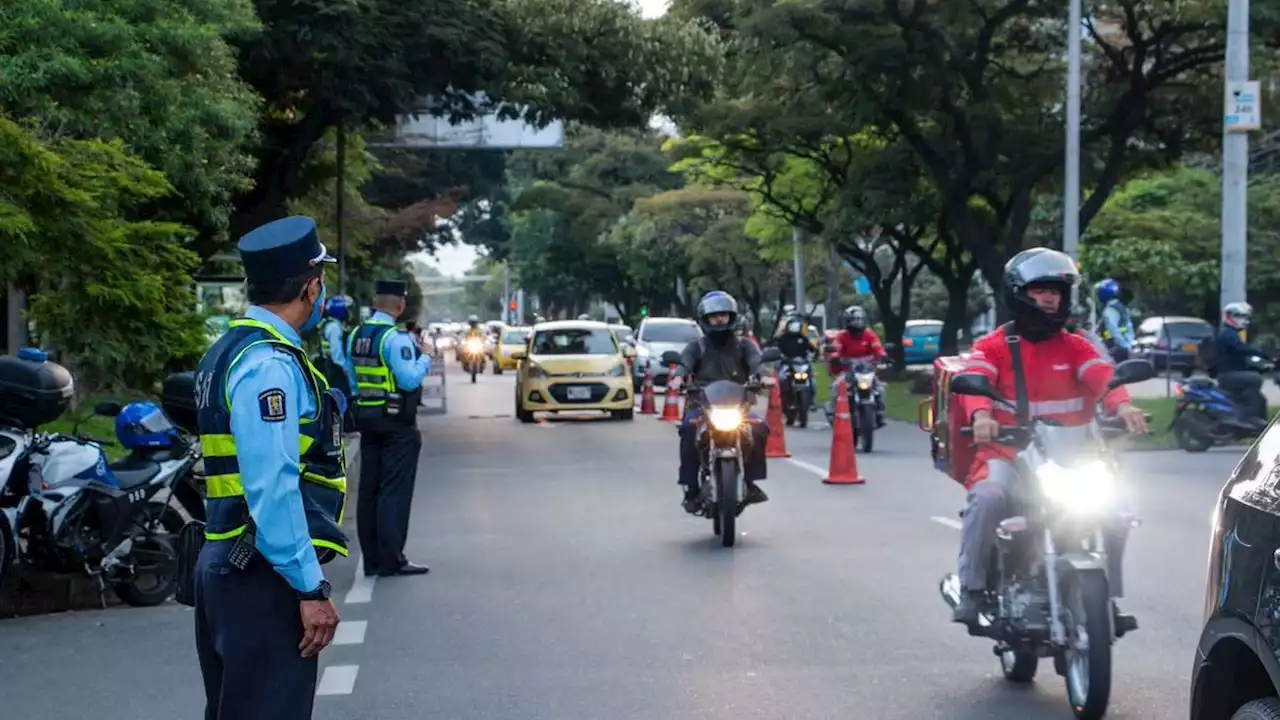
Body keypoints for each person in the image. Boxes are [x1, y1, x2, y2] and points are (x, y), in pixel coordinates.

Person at [192, 215, 345, 720]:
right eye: (321, 281)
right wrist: (309, 587)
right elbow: (272, 488)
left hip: (231, 561)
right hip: (259, 571)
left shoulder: (228, 351)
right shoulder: (268, 364)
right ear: (310, 285)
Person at [950, 248, 1149, 628]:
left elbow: (1102, 376)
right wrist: (980, 415)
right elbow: (974, 381)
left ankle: (1106, 600)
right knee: (988, 497)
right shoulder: (993, 346)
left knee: (1116, 510)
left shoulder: (1076, 346)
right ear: (1018, 294)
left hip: (1071, 455)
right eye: (1039, 290)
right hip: (1007, 451)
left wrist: (1123, 407)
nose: (1049, 298)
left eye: (1055, 292)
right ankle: (972, 589)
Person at [345, 280, 433, 577]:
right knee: (393, 490)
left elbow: (352, 379)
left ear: (373, 301)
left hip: (367, 420)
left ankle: (371, 560)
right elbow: (409, 380)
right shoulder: (395, 339)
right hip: (397, 423)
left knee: (369, 490)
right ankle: (391, 558)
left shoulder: (356, 335)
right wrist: (426, 357)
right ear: (399, 305)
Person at [668, 291, 773, 512]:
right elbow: (684, 364)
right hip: (703, 406)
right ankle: (690, 487)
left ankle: (751, 483)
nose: (719, 320)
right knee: (688, 429)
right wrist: (678, 379)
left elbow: (757, 363)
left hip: (738, 408)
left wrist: (764, 376)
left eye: (723, 315)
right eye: (714, 316)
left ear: (731, 316)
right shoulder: (697, 346)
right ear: (705, 318)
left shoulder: (744, 345)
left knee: (760, 428)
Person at [827, 305, 887, 427]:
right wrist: (835, 355)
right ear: (848, 321)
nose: (858, 323)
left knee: (880, 388)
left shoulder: (869, 335)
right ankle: (833, 412)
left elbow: (878, 348)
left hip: (867, 369)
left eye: (860, 319)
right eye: (855, 320)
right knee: (837, 386)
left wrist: (883, 355)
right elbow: (836, 347)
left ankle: (880, 413)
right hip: (849, 369)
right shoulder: (842, 336)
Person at [1213, 301, 1270, 424]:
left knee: (1255, 391)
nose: (1242, 320)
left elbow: (1240, 354)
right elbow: (1241, 348)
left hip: (1232, 372)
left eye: (1244, 317)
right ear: (1228, 317)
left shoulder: (1232, 333)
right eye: (1238, 316)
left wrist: (1261, 362)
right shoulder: (1228, 333)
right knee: (1255, 379)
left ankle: (1250, 417)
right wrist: (1261, 352)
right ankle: (1248, 417)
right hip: (1228, 374)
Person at [317, 295, 358, 410]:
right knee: (341, 398)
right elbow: (337, 354)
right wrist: (345, 369)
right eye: (347, 309)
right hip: (335, 368)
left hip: (330, 366)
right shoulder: (334, 327)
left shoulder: (328, 324)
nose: (350, 313)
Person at [1094, 278, 1136, 362]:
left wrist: (1123, 345)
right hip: (1122, 347)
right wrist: (1128, 344)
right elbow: (1129, 328)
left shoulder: (1110, 310)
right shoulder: (1122, 307)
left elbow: (1113, 329)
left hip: (1112, 348)